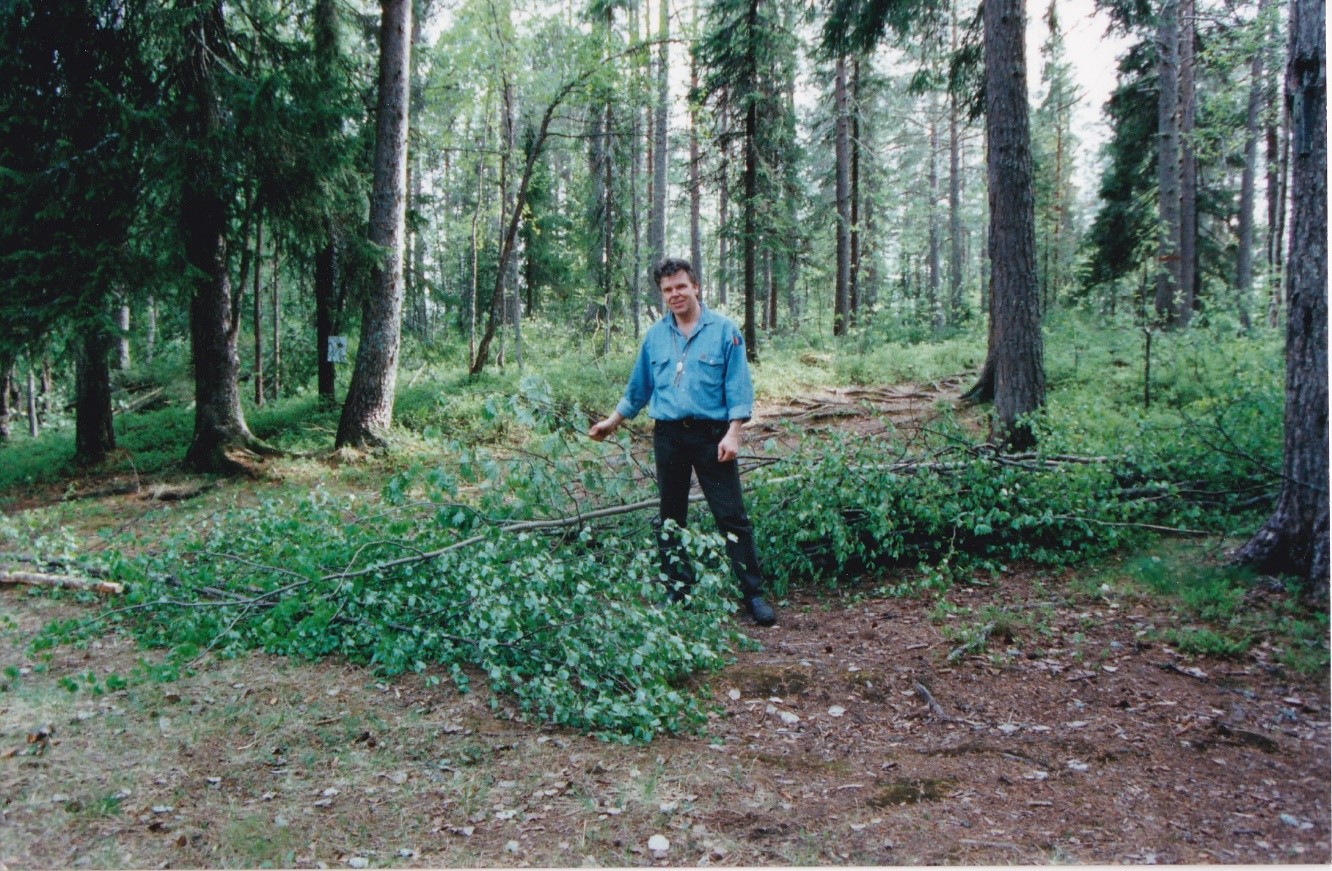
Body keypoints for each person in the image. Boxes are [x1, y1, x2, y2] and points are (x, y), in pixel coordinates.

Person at [589, 258, 777, 627]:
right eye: (667, 290)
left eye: (680, 287)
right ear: (662, 294)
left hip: (713, 436)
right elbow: (638, 387)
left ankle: (753, 594)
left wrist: (734, 432)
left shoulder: (724, 332)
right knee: (671, 518)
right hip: (669, 436)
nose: (675, 295)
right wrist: (612, 422)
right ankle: (678, 591)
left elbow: (738, 387)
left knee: (732, 517)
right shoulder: (655, 337)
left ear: (696, 288)